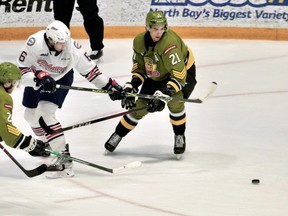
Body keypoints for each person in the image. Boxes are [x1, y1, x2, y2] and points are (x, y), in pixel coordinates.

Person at [16, 20, 124, 178]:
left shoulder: (73, 48)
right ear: (50, 40)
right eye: (60, 42)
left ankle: (64, 162)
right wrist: (39, 78)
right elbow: (22, 69)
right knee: (30, 115)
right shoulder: (35, 43)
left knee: (44, 115)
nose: (64, 45)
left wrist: (109, 86)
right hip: (37, 77)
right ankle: (47, 145)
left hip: (61, 79)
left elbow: (91, 71)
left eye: (65, 41)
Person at [104, 11, 197, 158]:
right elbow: (140, 68)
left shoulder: (170, 44)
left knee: (175, 103)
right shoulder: (139, 41)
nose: (159, 32)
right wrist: (132, 85)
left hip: (183, 73)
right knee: (140, 106)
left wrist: (163, 95)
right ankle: (118, 134)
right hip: (157, 73)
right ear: (147, 27)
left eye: (162, 28)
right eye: (155, 29)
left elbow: (179, 76)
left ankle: (179, 136)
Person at [0, 62, 51, 158]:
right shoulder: (3, 97)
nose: (14, 86)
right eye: (14, 82)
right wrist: (29, 144)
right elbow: (6, 128)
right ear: (6, 82)